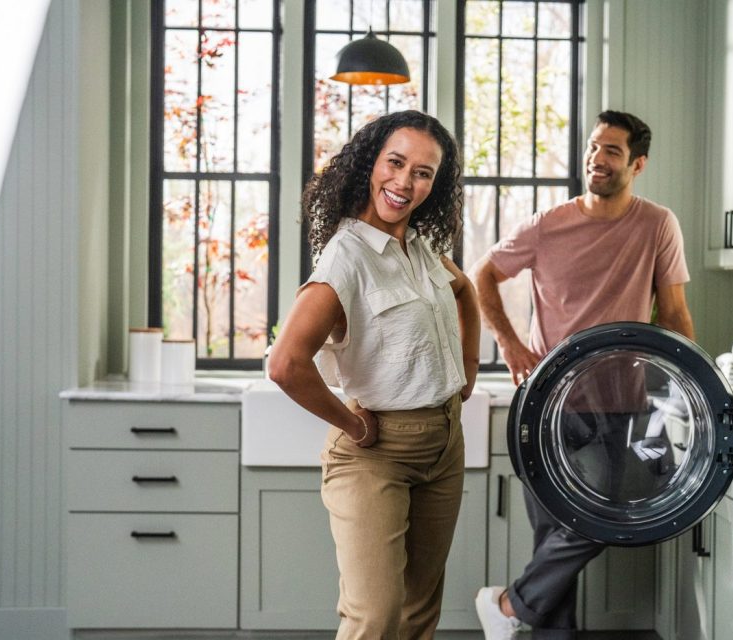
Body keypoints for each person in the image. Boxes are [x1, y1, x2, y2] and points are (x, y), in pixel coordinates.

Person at [472, 110, 695, 639]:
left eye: (612, 151)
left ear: (637, 164)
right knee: (556, 533)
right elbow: (483, 273)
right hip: (549, 405)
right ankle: (527, 616)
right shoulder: (548, 224)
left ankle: (509, 604)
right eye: (594, 147)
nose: (597, 158)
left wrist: (695, 387)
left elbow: (676, 312)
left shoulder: (656, 224)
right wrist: (507, 341)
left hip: (624, 404)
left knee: (595, 522)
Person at [268, 110, 481, 639]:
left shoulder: (419, 248)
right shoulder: (346, 258)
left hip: (445, 443)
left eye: (424, 172)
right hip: (375, 454)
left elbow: (466, 293)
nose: (405, 182)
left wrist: (467, 372)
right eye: (395, 162)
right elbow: (285, 363)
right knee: (375, 615)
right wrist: (355, 425)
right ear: (370, 163)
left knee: (419, 611)